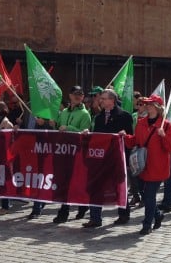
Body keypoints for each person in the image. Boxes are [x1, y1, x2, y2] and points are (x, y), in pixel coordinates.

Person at [83, 89, 135, 229]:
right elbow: (97, 136)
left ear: (112, 100)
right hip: (100, 158)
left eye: (104, 98)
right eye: (101, 98)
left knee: (119, 187)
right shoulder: (99, 117)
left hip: (117, 158)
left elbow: (131, 139)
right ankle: (95, 218)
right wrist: (89, 134)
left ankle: (124, 214)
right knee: (95, 187)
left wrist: (125, 137)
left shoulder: (124, 116)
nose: (101, 100)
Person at [128, 95, 171, 236]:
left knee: (149, 196)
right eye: (147, 104)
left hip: (157, 167)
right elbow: (136, 141)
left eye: (150, 104)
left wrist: (164, 136)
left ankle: (147, 224)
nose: (147, 106)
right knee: (145, 195)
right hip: (141, 165)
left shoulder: (166, 126)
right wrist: (124, 137)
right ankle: (158, 215)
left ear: (158, 107)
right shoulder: (141, 123)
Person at [52, 86, 93, 224]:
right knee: (65, 182)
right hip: (63, 153)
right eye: (75, 94)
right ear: (70, 95)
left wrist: (69, 128)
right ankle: (66, 210)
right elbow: (59, 128)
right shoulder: (63, 112)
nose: (78, 96)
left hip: (77, 153)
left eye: (81, 94)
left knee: (76, 182)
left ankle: (78, 207)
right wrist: (54, 124)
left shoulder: (85, 114)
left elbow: (84, 134)